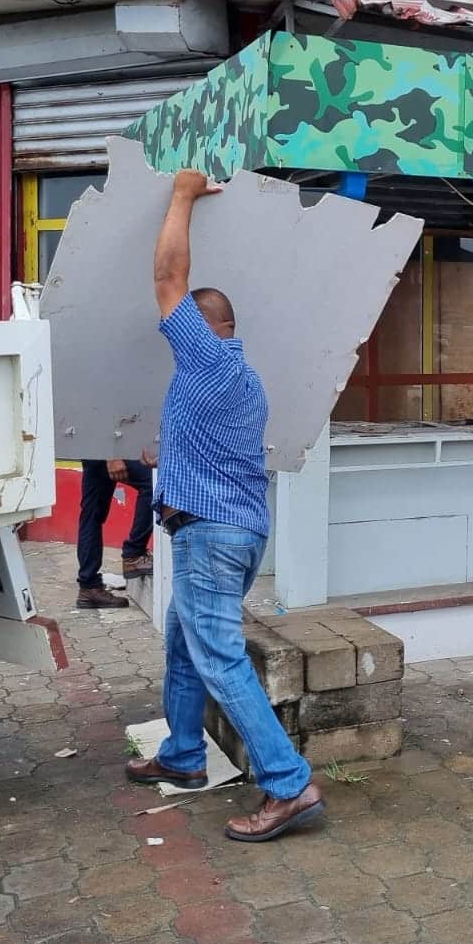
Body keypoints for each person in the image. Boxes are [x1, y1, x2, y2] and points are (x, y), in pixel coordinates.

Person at [124, 168, 325, 844]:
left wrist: (182, 197)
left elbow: (168, 279)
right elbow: (206, 448)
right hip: (217, 528)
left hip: (212, 536)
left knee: (219, 656)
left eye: (179, 325)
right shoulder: (227, 379)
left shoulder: (209, 360)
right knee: (186, 645)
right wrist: (162, 461)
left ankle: (289, 784)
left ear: (209, 329)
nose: (167, 327)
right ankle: (183, 756)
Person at [74, 457, 154, 609]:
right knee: (153, 482)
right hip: (106, 451)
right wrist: (112, 457)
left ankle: (89, 587)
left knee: (92, 515)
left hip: (95, 452)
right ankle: (134, 554)